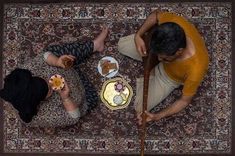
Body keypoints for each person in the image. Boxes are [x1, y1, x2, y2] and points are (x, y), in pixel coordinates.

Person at [0, 26, 109, 127]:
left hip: (66, 67)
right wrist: (66, 98)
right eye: (49, 91)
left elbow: (44, 56)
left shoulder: (25, 75)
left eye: (46, 80)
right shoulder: (42, 115)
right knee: (92, 100)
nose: (51, 83)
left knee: (53, 51)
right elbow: (74, 117)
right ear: (40, 102)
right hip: (82, 92)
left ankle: (95, 45)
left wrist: (57, 61)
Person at [118, 10, 209, 125]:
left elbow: (184, 101)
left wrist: (157, 116)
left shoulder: (197, 68)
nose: (160, 60)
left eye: (164, 58)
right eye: (159, 57)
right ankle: (151, 68)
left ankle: (151, 75)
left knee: (139, 108)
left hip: (168, 78)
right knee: (121, 45)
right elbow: (155, 15)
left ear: (179, 51)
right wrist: (138, 36)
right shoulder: (175, 22)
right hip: (152, 51)